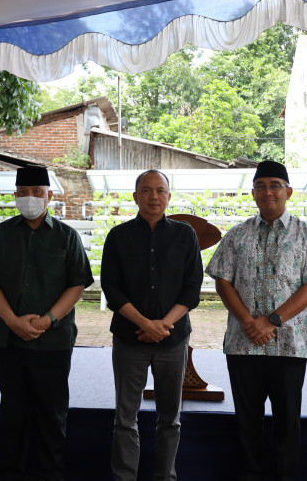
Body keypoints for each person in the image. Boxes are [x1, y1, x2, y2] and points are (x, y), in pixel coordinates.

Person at [205, 161, 307, 480]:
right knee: (246, 421)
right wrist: (250, 322)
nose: (268, 191)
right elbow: (223, 281)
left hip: (289, 345)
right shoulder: (236, 235)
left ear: (288, 191)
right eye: (261, 186)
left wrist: (272, 321)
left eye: (275, 185)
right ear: (252, 193)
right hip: (242, 344)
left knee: (287, 422)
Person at [0, 166, 93, 481]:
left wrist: (48, 319)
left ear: (49, 196)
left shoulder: (67, 236)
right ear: (15, 196)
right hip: (8, 340)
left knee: (52, 411)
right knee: (12, 409)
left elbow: (77, 285)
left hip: (52, 341)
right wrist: (12, 320)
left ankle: (51, 471)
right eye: (24, 193)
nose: (30, 198)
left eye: (37, 192)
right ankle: (13, 470)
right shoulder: (1, 234)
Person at [100, 169, 203, 481]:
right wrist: (145, 323)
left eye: (160, 190)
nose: (154, 196)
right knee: (124, 417)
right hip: (130, 339)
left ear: (169, 197)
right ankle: (124, 477)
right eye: (146, 190)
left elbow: (192, 287)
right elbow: (112, 288)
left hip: (172, 342)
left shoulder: (185, 235)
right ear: (135, 197)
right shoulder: (118, 236)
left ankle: (165, 476)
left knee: (170, 417)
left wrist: (163, 326)